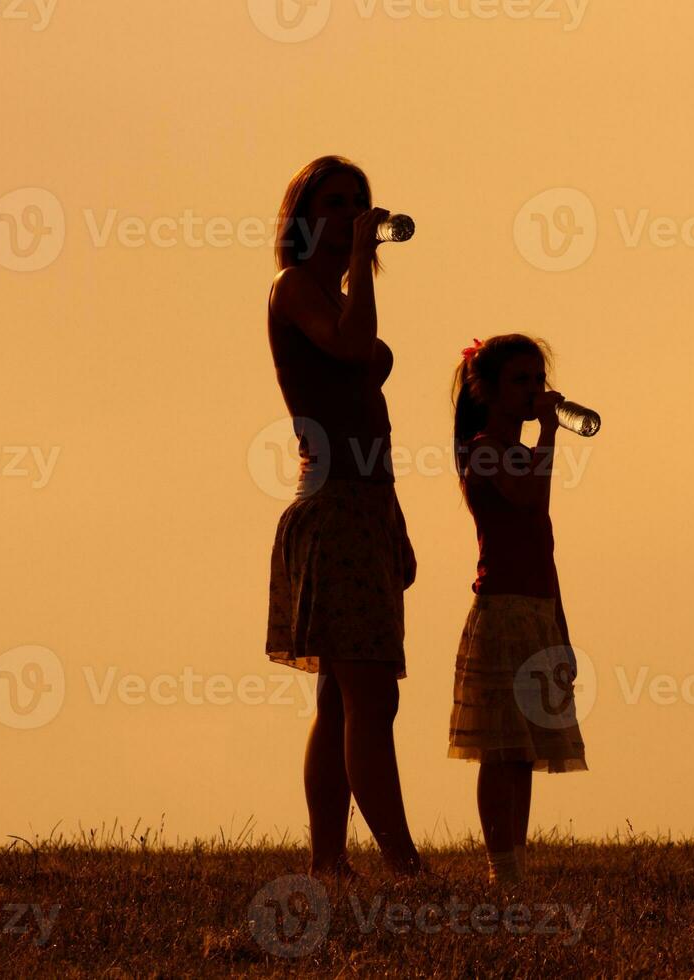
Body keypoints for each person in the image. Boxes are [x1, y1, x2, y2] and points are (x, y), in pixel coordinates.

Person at [264, 155, 425, 879]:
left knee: (340, 696)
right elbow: (354, 349)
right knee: (370, 692)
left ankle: (328, 861)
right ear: (303, 215)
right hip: (333, 501)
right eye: (334, 203)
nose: (351, 213)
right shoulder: (297, 287)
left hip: (364, 501)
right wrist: (361, 259)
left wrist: (393, 519)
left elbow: (369, 406)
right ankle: (401, 861)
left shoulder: (333, 292)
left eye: (358, 203)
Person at [446, 334, 588, 886]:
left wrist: (560, 624)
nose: (534, 392)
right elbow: (525, 497)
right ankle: (500, 864)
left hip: (536, 608)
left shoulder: (527, 455)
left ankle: (518, 863)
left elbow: (541, 539)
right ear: (488, 390)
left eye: (538, 380)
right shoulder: (484, 449)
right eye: (521, 382)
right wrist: (552, 433)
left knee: (525, 749)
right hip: (501, 610)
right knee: (499, 748)